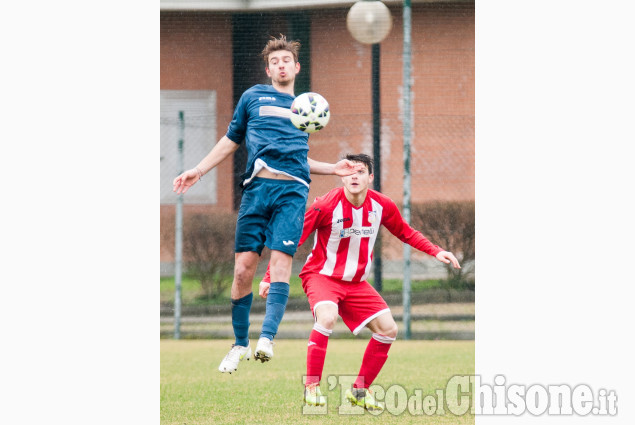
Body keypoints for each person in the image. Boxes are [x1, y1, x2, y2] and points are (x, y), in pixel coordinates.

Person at [172, 35, 362, 374]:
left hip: (292, 193)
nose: (281, 65)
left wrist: (332, 168)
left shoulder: (307, 107)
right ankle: (239, 343)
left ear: (297, 67)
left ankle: (267, 338)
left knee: (279, 266)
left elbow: (298, 158)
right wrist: (198, 171)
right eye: (275, 62)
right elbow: (232, 140)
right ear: (268, 69)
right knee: (243, 269)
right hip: (257, 191)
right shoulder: (252, 98)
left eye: (286, 60)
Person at [259, 153, 461, 411]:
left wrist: (436, 251)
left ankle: (360, 391)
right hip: (321, 275)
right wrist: (270, 277)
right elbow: (294, 239)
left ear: (371, 177)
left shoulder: (382, 205)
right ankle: (312, 387)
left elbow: (405, 232)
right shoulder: (325, 205)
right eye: (350, 171)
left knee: (388, 329)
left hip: (355, 283)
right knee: (328, 316)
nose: (354, 176)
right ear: (342, 175)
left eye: (361, 171)